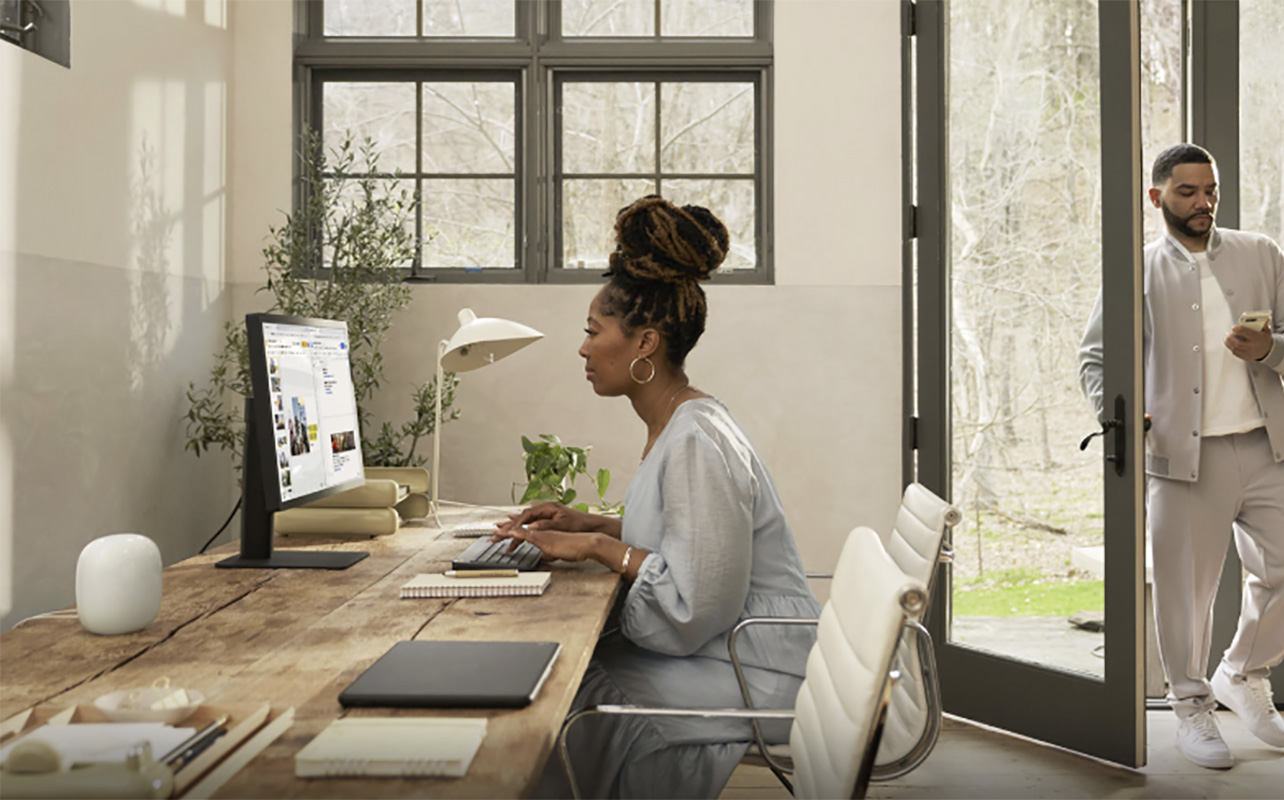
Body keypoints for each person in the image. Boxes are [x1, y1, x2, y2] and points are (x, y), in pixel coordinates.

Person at [494, 196, 821, 798]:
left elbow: (694, 604)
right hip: (732, 652)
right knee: (555, 676)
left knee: (562, 696)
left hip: (756, 670)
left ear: (644, 342)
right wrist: (592, 524)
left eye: (594, 332)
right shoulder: (681, 420)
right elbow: (689, 539)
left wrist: (594, 545)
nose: (583, 348)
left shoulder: (696, 439)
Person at [1079, 143, 1284, 769]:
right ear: (1157, 196)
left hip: (1268, 446)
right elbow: (1096, 358)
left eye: (1211, 190)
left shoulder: (1261, 254)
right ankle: (1191, 706)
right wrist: (1118, 411)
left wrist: (1269, 351)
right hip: (1182, 458)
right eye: (1188, 192)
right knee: (1184, 598)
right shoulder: (1137, 271)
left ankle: (1242, 672)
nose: (1203, 203)